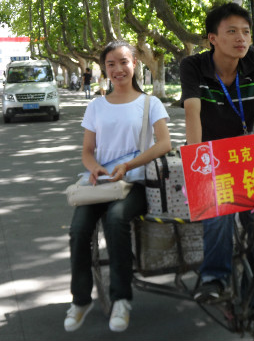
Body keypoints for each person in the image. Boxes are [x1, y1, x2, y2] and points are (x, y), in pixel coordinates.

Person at [180, 2, 254, 302]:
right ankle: (214, 278)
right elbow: (192, 111)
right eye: (231, 31)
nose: (241, 38)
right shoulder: (193, 67)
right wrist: (196, 161)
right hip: (209, 156)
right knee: (219, 213)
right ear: (212, 39)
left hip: (246, 154)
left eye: (246, 32)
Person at [64, 40, 171, 333]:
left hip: (136, 184)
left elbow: (164, 143)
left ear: (134, 63)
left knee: (115, 219)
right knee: (79, 229)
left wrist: (129, 167)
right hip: (100, 184)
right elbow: (88, 151)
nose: (118, 69)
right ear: (105, 69)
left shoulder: (151, 103)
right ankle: (81, 299)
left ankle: (121, 299)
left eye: (123, 62)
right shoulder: (96, 105)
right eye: (111, 64)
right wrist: (94, 167)